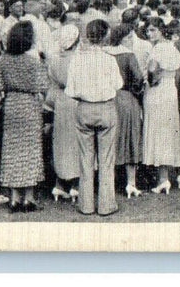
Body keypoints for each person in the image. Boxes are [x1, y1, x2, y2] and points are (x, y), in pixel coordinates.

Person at [65, 18, 124, 217]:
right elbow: (118, 85)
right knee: (106, 159)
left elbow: (70, 90)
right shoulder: (109, 59)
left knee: (85, 158)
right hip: (106, 108)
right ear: (105, 36)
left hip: (84, 108)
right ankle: (106, 204)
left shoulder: (77, 59)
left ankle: (86, 204)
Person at [0, 21, 50, 212]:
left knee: (12, 151)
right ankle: (29, 198)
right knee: (31, 151)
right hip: (29, 105)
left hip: (12, 105)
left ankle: (14, 197)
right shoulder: (33, 61)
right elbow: (43, 86)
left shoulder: (4, 60)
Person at [141, 18, 180, 194]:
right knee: (170, 130)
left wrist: (151, 80)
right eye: (148, 30)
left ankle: (163, 178)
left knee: (158, 131)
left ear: (161, 31)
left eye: (153, 30)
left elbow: (152, 71)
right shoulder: (173, 48)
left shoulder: (157, 49)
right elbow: (177, 75)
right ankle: (179, 172)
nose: (149, 33)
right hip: (170, 91)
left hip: (157, 92)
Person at [104, 23, 145, 197]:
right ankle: (130, 182)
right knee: (130, 138)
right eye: (129, 37)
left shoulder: (104, 53)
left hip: (107, 99)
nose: (131, 40)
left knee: (111, 140)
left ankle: (109, 181)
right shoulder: (128, 55)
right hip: (127, 98)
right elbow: (138, 79)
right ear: (122, 38)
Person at [46, 24, 82, 203]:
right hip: (76, 100)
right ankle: (75, 183)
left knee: (60, 141)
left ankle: (59, 183)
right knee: (76, 142)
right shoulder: (79, 60)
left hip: (60, 100)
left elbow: (51, 82)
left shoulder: (54, 59)